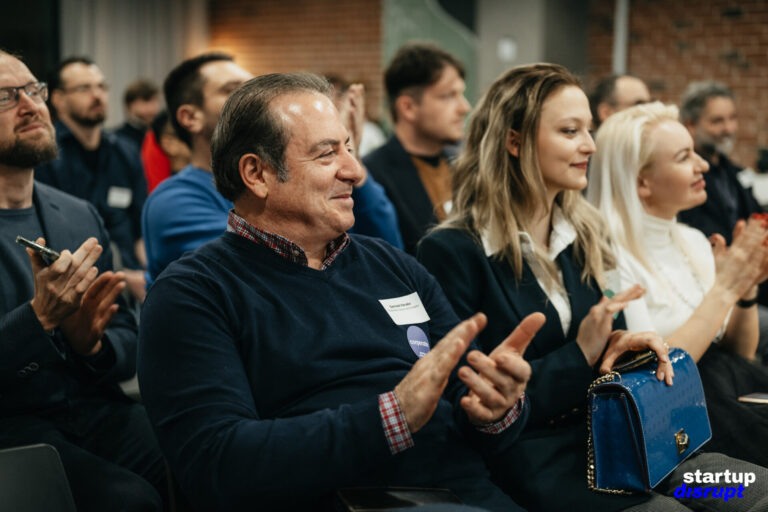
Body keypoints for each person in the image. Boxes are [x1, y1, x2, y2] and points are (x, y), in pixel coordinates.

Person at [138, 72, 539, 512]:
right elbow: (218, 464)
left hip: (466, 493)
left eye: (349, 147)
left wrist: (495, 409)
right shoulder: (193, 293)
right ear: (257, 173)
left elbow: (472, 412)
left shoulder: (394, 265)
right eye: (327, 153)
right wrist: (391, 417)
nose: (355, 170)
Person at [418, 63, 768, 512]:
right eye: (570, 131)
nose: (589, 144)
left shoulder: (586, 233)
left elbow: (608, 359)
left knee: (757, 494)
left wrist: (625, 345)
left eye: (589, 129)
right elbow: (470, 406)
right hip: (553, 468)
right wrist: (580, 354)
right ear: (514, 141)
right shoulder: (453, 251)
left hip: (642, 449)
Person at [0, 50, 165, 512]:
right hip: (12, 425)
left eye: (33, 90)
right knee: (130, 501)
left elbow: (126, 333)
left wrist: (92, 346)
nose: (30, 105)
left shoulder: (77, 214)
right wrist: (37, 320)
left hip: (93, 408)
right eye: (5, 97)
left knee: (207, 456)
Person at [587, 101, 768, 466]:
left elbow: (739, 353)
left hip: (728, 392)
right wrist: (724, 289)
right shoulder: (607, 256)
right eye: (685, 157)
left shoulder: (693, 240)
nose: (703, 165)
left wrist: (745, 291)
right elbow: (652, 375)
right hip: (677, 423)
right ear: (642, 182)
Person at [34, 57, 147, 301]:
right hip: (73, 285)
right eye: (84, 88)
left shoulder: (125, 151)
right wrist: (119, 277)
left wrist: (151, 274)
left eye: (101, 86)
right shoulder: (44, 155)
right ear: (58, 99)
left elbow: (139, 229)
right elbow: (49, 238)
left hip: (133, 283)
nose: (97, 95)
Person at [141, 53, 251, 287]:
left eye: (254, 87)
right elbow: (263, 264)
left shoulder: (268, 185)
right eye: (233, 90)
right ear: (191, 117)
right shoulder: (173, 201)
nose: (255, 98)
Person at [364, 43, 471, 254]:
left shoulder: (464, 165)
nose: (464, 108)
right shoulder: (372, 178)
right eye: (449, 96)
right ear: (408, 107)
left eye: (461, 94)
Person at [114, 79, 160, 155]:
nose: (152, 108)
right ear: (129, 106)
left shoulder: (161, 137)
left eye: (154, 101)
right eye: (146, 101)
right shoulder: (117, 138)